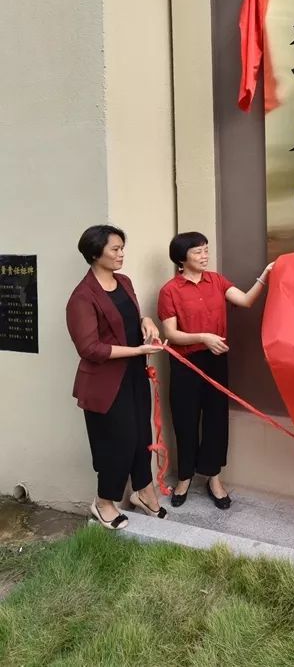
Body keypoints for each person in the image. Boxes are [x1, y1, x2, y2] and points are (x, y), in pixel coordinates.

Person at [158, 232, 273, 509]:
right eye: (198, 252)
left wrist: (266, 274)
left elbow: (245, 301)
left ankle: (213, 477)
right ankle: (185, 477)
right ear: (181, 259)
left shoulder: (217, 281)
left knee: (216, 419)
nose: (204, 256)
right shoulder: (170, 290)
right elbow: (171, 335)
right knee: (185, 420)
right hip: (186, 363)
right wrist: (203, 337)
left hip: (216, 359)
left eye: (206, 250)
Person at [66, 225, 166, 530]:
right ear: (96, 254)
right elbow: (90, 348)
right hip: (105, 383)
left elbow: (128, 320)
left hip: (134, 374)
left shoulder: (124, 282)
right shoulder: (82, 297)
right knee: (117, 442)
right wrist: (136, 351)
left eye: (122, 248)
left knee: (141, 437)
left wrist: (146, 321)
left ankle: (143, 490)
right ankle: (103, 502)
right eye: (115, 249)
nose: (121, 254)